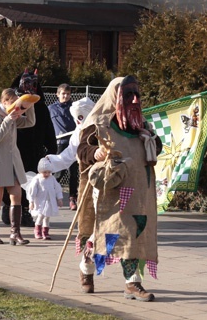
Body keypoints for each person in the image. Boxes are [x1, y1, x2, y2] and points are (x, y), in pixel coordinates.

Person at [76, 75, 162, 301]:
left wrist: (151, 140)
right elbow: (82, 150)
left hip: (138, 191)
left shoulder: (141, 125)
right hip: (109, 191)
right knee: (107, 235)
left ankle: (132, 283)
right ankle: (87, 268)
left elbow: (157, 148)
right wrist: (94, 154)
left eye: (137, 95)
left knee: (134, 232)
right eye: (128, 95)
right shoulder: (99, 124)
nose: (134, 100)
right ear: (116, 96)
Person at [2, 71, 57, 227]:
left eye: (33, 84)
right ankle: (8, 209)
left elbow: (48, 131)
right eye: (26, 84)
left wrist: (51, 151)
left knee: (32, 183)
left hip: (35, 153)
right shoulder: (13, 106)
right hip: (15, 150)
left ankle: (25, 210)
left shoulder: (41, 108)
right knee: (12, 183)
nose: (30, 87)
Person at [0, 88, 35, 245]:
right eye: (13, 103)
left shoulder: (14, 113)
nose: (15, 106)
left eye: (16, 103)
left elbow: (30, 122)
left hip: (12, 160)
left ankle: (15, 233)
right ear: (4, 102)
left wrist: (29, 106)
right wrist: (8, 119)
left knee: (17, 196)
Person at [45, 97, 95, 174]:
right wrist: (51, 161)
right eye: (77, 119)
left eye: (81, 117)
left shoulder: (104, 126)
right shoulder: (79, 131)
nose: (79, 122)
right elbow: (71, 152)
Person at [48, 83, 78, 210]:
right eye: (63, 94)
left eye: (68, 94)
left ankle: (72, 198)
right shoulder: (51, 108)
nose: (65, 96)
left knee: (73, 173)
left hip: (73, 143)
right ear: (58, 94)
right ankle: (52, 196)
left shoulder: (74, 107)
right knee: (59, 172)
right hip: (59, 143)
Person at [27, 158, 63, 240]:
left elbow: (57, 188)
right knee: (40, 216)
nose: (47, 174)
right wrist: (31, 201)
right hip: (40, 201)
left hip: (50, 201)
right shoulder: (37, 179)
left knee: (47, 217)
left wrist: (59, 198)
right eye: (44, 172)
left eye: (48, 172)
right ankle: (37, 230)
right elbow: (32, 191)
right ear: (40, 171)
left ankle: (45, 232)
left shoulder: (52, 178)